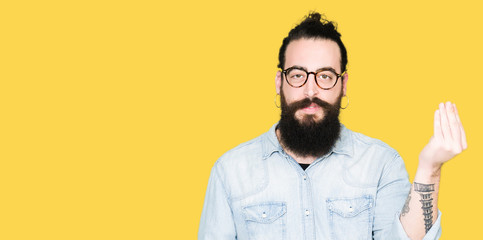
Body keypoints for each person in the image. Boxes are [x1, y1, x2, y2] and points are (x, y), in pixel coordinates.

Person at [198, 12, 467, 240]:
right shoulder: (229, 172)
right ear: (279, 82)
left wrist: (430, 169)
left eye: (325, 76)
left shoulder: (382, 163)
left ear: (343, 84)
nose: (310, 90)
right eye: (297, 75)